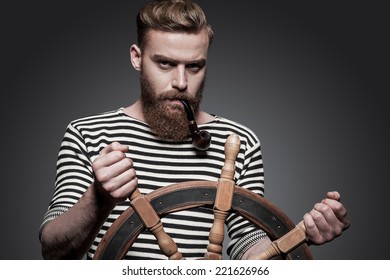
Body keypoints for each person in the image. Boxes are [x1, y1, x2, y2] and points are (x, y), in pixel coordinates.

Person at [39, 0, 350, 260]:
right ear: (137, 58)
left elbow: (246, 247)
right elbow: (54, 251)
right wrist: (99, 199)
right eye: (164, 64)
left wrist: (299, 236)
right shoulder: (86, 133)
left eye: (194, 66)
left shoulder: (239, 141)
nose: (181, 82)